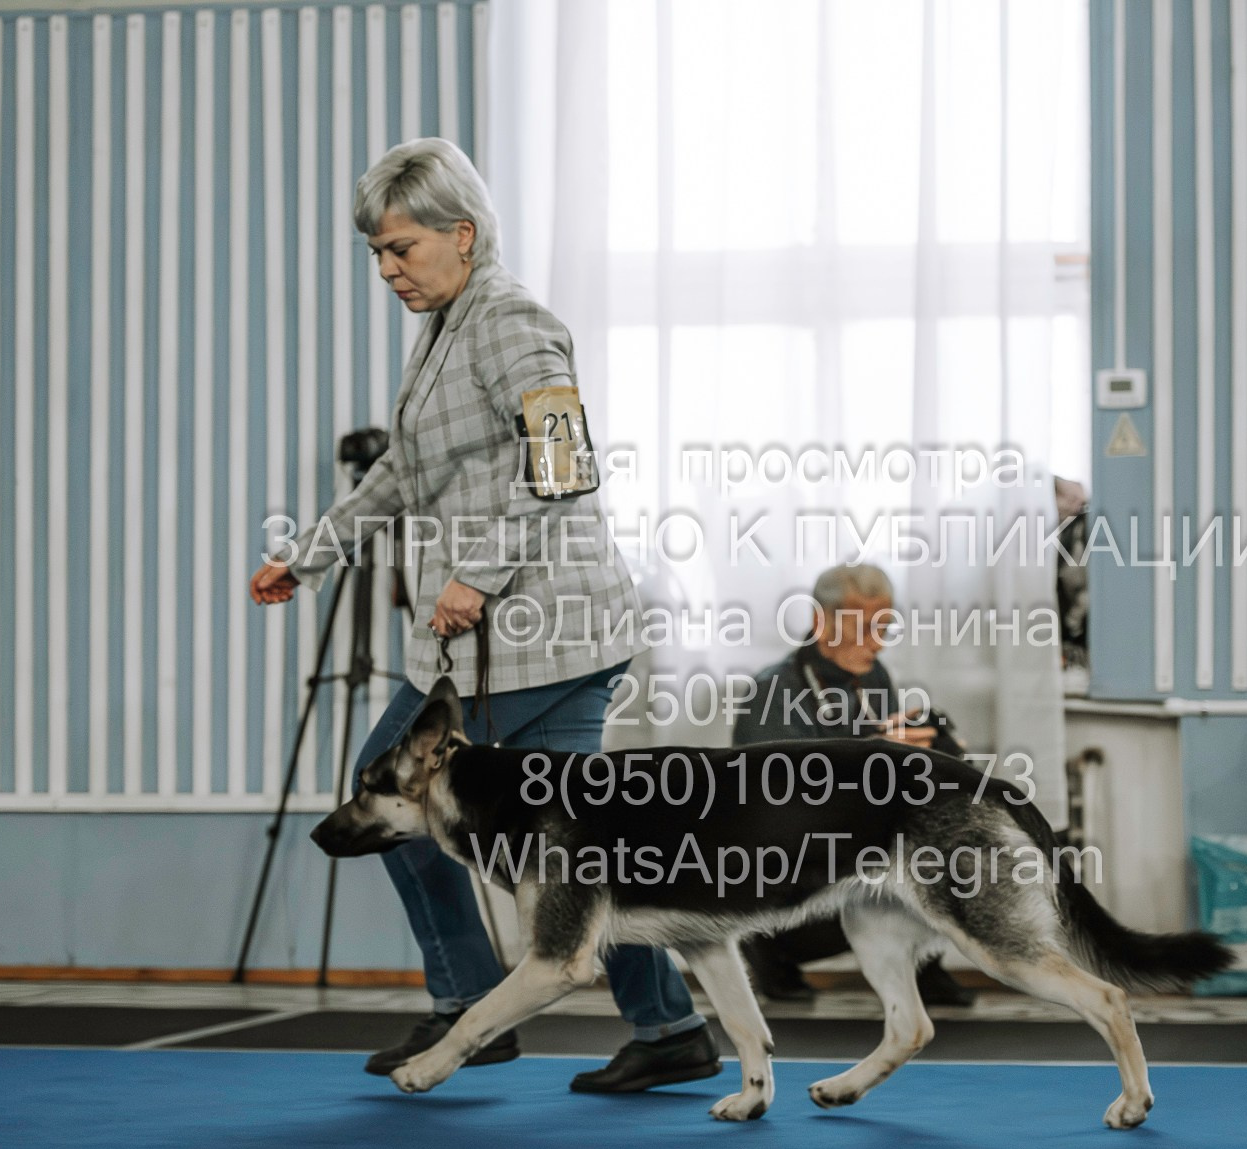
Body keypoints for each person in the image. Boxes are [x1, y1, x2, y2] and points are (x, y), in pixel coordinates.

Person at [249, 139, 718, 1093]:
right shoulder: (444, 327)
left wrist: (478, 573)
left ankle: (474, 1000)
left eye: (402, 248)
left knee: (393, 794)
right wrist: (311, 554)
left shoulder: (508, 322)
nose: (388, 269)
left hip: (539, 631)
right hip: (525, 638)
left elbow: (562, 462)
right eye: (378, 254)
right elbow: (403, 471)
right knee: (577, 844)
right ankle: (665, 1026)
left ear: (462, 236)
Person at [731, 564, 976, 1008]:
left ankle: (922, 963)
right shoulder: (772, 692)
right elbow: (778, 803)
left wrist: (931, 754)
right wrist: (875, 751)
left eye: (884, 627)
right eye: (864, 628)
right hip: (786, 867)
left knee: (948, 836)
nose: (878, 642)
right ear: (820, 622)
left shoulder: (873, 676)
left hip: (852, 846)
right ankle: (770, 947)